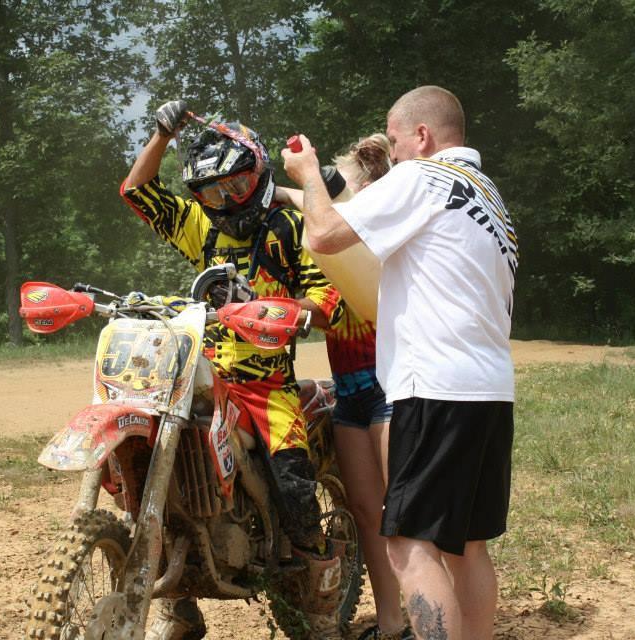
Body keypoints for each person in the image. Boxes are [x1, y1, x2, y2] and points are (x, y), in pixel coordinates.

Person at [281, 86, 518, 640]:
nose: (393, 154)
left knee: (408, 544)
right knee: (467, 546)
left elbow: (324, 233)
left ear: (422, 136)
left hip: (433, 386)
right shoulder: (489, 197)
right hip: (489, 388)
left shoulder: (423, 177)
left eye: (394, 140)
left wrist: (308, 174)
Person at [120, 99, 347, 640]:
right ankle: (177, 606)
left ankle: (319, 615)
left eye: (235, 187)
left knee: (293, 481)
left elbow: (328, 296)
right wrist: (161, 134)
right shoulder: (202, 227)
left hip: (268, 386)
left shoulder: (289, 226)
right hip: (202, 372)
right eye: (211, 192)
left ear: (260, 173)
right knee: (154, 462)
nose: (223, 201)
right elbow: (137, 193)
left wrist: (291, 312)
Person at [278, 134, 410, 640]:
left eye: (340, 185)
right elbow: (302, 205)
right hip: (351, 392)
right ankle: (393, 623)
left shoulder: (380, 230)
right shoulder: (329, 232)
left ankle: (429, 617)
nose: (328, 195)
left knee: (404, 512)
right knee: (365, 512)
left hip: (391, 384)